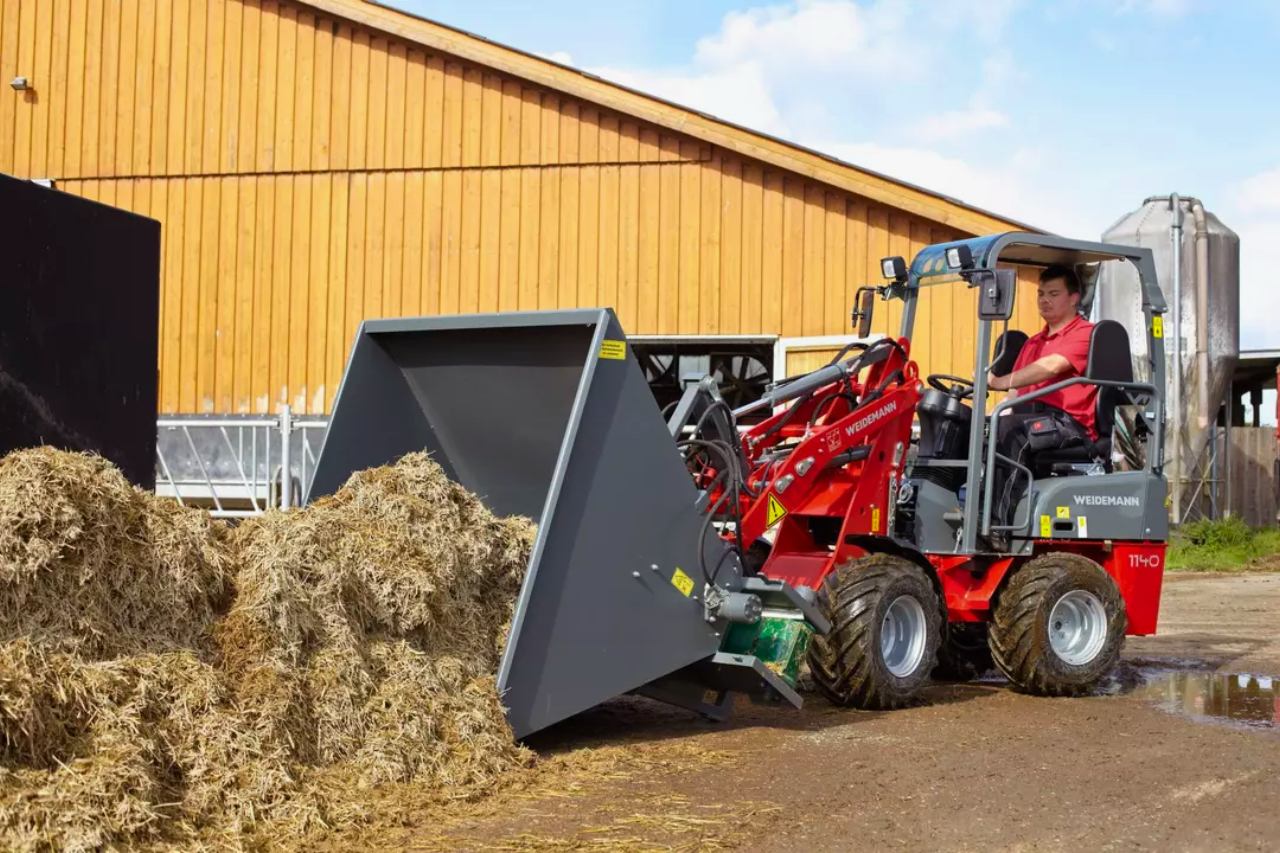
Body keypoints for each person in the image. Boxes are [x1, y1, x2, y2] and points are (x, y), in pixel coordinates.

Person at [986, 264, 1097, 529]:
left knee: (1011, 431)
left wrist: (1000, 381)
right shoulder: (1033, 342)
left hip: (1069, 423)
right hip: (1033, 418)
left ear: (1073, 298)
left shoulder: (1085, 334)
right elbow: (1017, 392)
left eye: (1053, 293)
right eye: (1041, 293)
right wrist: (1001, 406)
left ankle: (996, 526)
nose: (1044, 299)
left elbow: (1050, 367)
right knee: (973, 425)